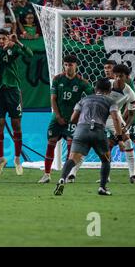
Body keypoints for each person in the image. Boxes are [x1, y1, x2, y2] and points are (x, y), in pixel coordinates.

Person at [68, 61, 135, 184]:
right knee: (89, 141)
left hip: (114, 117)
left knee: (128, 142)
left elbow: (132, 114)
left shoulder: (130, 93)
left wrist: (125, 128)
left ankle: (133, 175)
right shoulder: (108, 85)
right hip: (99, 116)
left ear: (127, 77)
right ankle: (72, 174)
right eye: (116, 75)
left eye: (121, 76)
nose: (117, 78)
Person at [53, 78, 125, 196]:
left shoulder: (83, 100)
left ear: (95, 89)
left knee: (72, 159)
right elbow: (116, 118)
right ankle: (102, 187)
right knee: (106, 160)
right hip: (98, 131)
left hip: (81, 130)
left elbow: (73, 119)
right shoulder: (111, 102)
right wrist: (120, 139)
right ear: (110, 90)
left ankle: (62, 179)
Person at [38, 54, 93, 183]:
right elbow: (53, 99)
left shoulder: (82, 82)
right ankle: (47, 174)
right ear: (64, 65)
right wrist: (58, 116)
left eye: (71, 65)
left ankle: (68, 175)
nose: (68, 67)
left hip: (72, 120)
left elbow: (92, 98)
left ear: (76, 66)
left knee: (71, 148)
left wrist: (81, 114)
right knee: (50, 144)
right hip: (57, 119)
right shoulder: (57, 79)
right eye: (66, 64)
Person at [0, 31, 33, 175]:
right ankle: (1, 158)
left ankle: (17, 160)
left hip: (13, 90)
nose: (2, 41)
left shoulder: (14, 49)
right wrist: (5, 48)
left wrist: (18, 42)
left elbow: (29, 54)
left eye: (4, 38)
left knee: (16, 124)